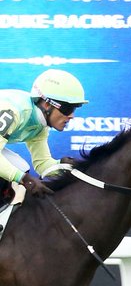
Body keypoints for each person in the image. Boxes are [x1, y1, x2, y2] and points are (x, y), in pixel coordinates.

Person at [0, 68, 87, 200]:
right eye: (67, 108)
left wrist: (61, 166)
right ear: (47, 104)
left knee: (21, 168)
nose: (71, 116)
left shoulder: (40, 126)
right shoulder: (13, 111)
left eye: (74, 109)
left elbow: (42, 164)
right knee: (18, 171)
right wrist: (23, 179)